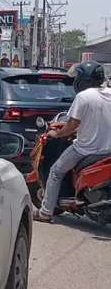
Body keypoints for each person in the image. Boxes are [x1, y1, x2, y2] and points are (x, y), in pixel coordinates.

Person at [35, 61, 111, 222]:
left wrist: (57, 133)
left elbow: (72, 126)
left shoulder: (83, 97)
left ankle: (45, 212)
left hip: (86, 149)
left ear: (83, 79)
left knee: (55, 171)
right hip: (108, 150)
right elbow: (95, 121)